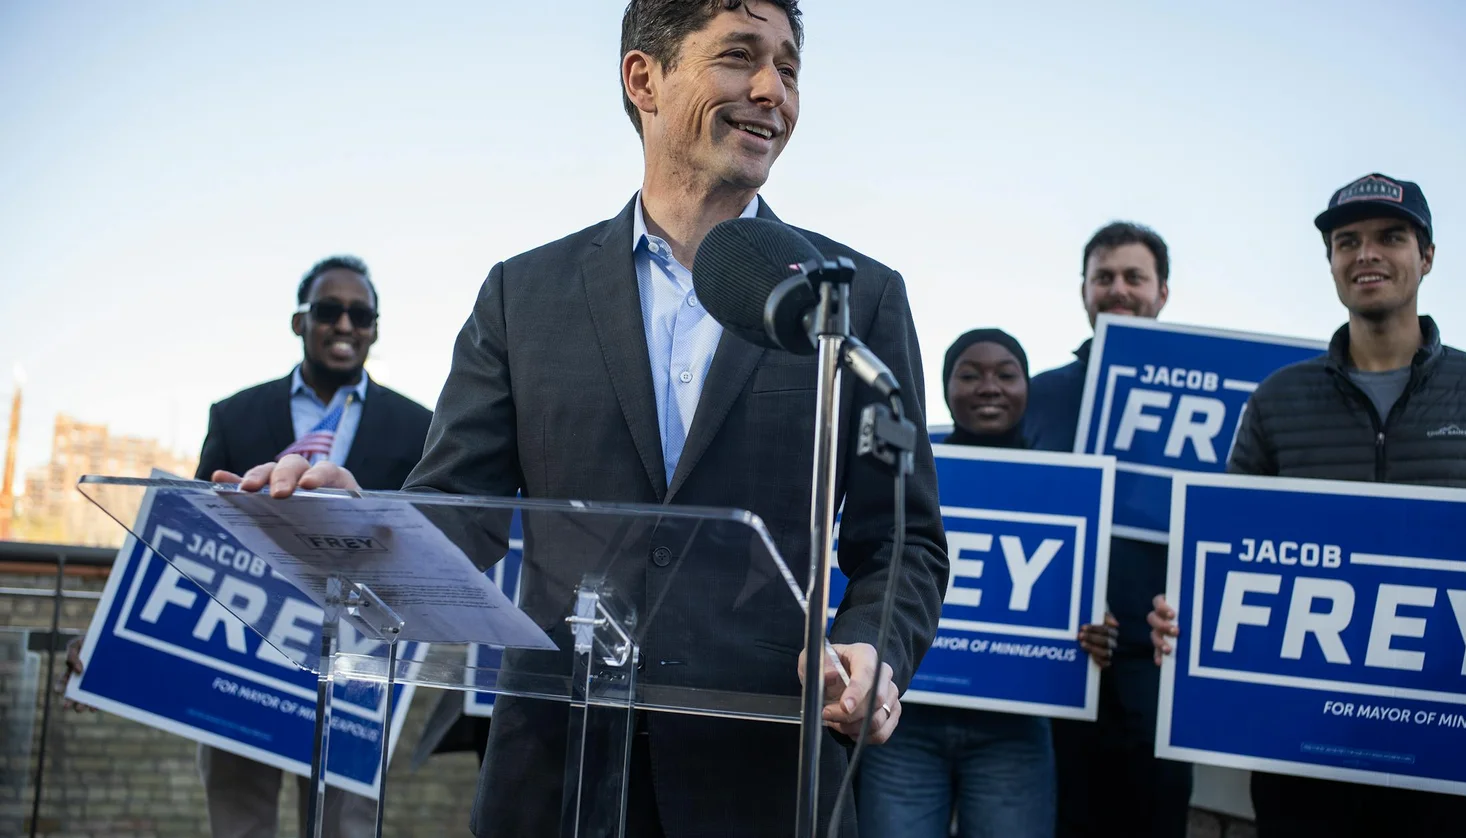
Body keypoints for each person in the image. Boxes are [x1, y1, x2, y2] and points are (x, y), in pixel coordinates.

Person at [222, 3, 950, 837]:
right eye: (739, 56)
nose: (770, 90)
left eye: (788, 68)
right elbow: (461, 514)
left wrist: (874, 649)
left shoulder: (855, 299)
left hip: (764, 779)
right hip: (554, 773)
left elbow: (905, 541)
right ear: (644, 78)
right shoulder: (521, 296)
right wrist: (354, 521)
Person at [1146, 173, 1466, 837]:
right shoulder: (1278, 399)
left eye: (1391, 237)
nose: (1366, 255)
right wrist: (1184, 617)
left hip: (1455, 751)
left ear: (1428, 256)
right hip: (1304, 754)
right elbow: (1229, 540)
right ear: (1329, 260)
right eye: (1346, 241)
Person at [60, 255, 434, 838]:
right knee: (239, 823)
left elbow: (425, 544)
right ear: (298, 321)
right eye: (329, 310)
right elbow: (186, 535)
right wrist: (109, 632)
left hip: (356, 667)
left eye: (360, 315)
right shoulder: (236, 414)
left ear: (375, 329)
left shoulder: (419, 426)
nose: (345, 325)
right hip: (243, 658)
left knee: (347, 829)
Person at [1021, 222, 1192, 837]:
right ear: (1084, 290)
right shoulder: (1038, 396)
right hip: (1057, 666)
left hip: (1164, 673)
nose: (1118, 290)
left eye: (1134, 277)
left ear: (1163, 292)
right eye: (1104, 277)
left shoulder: (1218, 399)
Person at [856, 328, 1053, 837]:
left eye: (1006, 374)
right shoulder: (901, 466)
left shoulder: (1068, 479)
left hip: (1016, 729)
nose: (989, 386)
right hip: (906, 720)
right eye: (970, 374)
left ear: (1026, 387)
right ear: (944, 389)